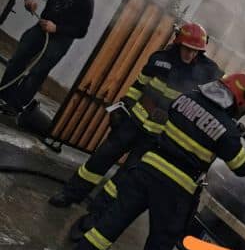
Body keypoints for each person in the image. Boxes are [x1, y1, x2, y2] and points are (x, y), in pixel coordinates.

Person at [60, 73, 245, 250]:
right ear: (237, 101)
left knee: (109, 224)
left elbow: (188, 124)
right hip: (175, 188)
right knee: (158, 247)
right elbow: (243, 168)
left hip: (146, 169)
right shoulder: (228, 131)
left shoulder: (187, 98)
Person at [49, 23, 222, 235]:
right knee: (99, 159)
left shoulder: (207, 73)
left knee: (123, 178)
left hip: (158, 137)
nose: (190, 53)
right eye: (187, 48)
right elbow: (138, 85)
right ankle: (70, 193)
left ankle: (93, 217)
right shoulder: (160, 59)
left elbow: (224, 94)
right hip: (133, 122)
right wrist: (122, 107)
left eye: (195, 50)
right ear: (178, 43)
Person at [0, 0, 94, 114]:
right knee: (20, 55)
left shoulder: (86, 0)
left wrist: (56, 28)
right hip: (42, 27)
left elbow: (81, 31)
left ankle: (15, 105)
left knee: (38, 71)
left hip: (61, 38)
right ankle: (4, 92)